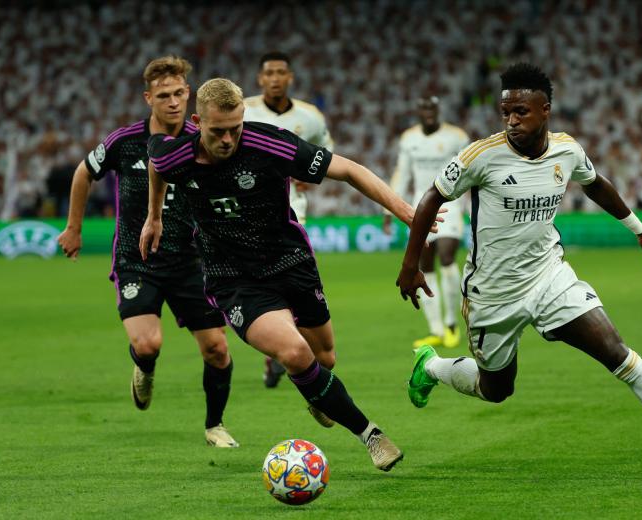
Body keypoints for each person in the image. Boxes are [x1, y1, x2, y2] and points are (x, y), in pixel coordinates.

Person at [397, 63, 642, 471]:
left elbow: (594, 182)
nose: (511, 120)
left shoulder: (567, 149)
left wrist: (638, 228)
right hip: (493, 293)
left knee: (617, 352)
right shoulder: (480, 156)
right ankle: (434, 367)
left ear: (546, 109)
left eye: (521, 112)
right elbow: (431, 199)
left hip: (549, 276)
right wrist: (411, 264)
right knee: (496, 389)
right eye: (505, 111)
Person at [140, 78, 432, 471]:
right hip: (233, 279)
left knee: (324, 357)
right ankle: (372, 436)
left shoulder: (268, 143)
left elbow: (346, 169)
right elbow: (157, 165)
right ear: (197, 121)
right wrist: (153, 216)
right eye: (217, 131)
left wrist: (405, 211)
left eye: (235, 128)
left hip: (290, 263)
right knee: (295, 353)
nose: (228, 139)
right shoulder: (176, 155)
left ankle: (317, 393)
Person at [57, 56, 238, 448]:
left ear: (188, 93)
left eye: (178, 93)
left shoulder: (204, 137)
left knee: (217, 349)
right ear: (148, 98)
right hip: (136, 260)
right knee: (147, 343)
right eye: (163, 96)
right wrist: (74, 227)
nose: (173, 102)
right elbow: (83, 173)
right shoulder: (125, 141)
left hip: (192, 262)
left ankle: (215, 425)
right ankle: (144, 367)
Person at [243, 51, 334, 388]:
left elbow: (327, 152)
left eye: (281, 72)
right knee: (265, 285)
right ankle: (280, 348)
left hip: (293, 210)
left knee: (293, 280)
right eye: (269, 72)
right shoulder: (245, 111)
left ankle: (281, 353)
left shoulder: (309, 117)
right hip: (249, 212)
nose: (276, 78)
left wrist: (307, 175)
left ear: (290, 77)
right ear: (260, 78)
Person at [384, 96, 469, 349]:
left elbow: (471, 171)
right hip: (420, 205)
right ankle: (437, 329)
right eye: (424, 108)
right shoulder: (409, 139)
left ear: (438, 110)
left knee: (447, 257)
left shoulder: (457, 137)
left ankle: (452, 323)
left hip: (451, 204)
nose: (429, 112)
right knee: (425, 266)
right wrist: (388, 210)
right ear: (418, 111)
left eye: (433, 107)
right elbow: (402, 173)